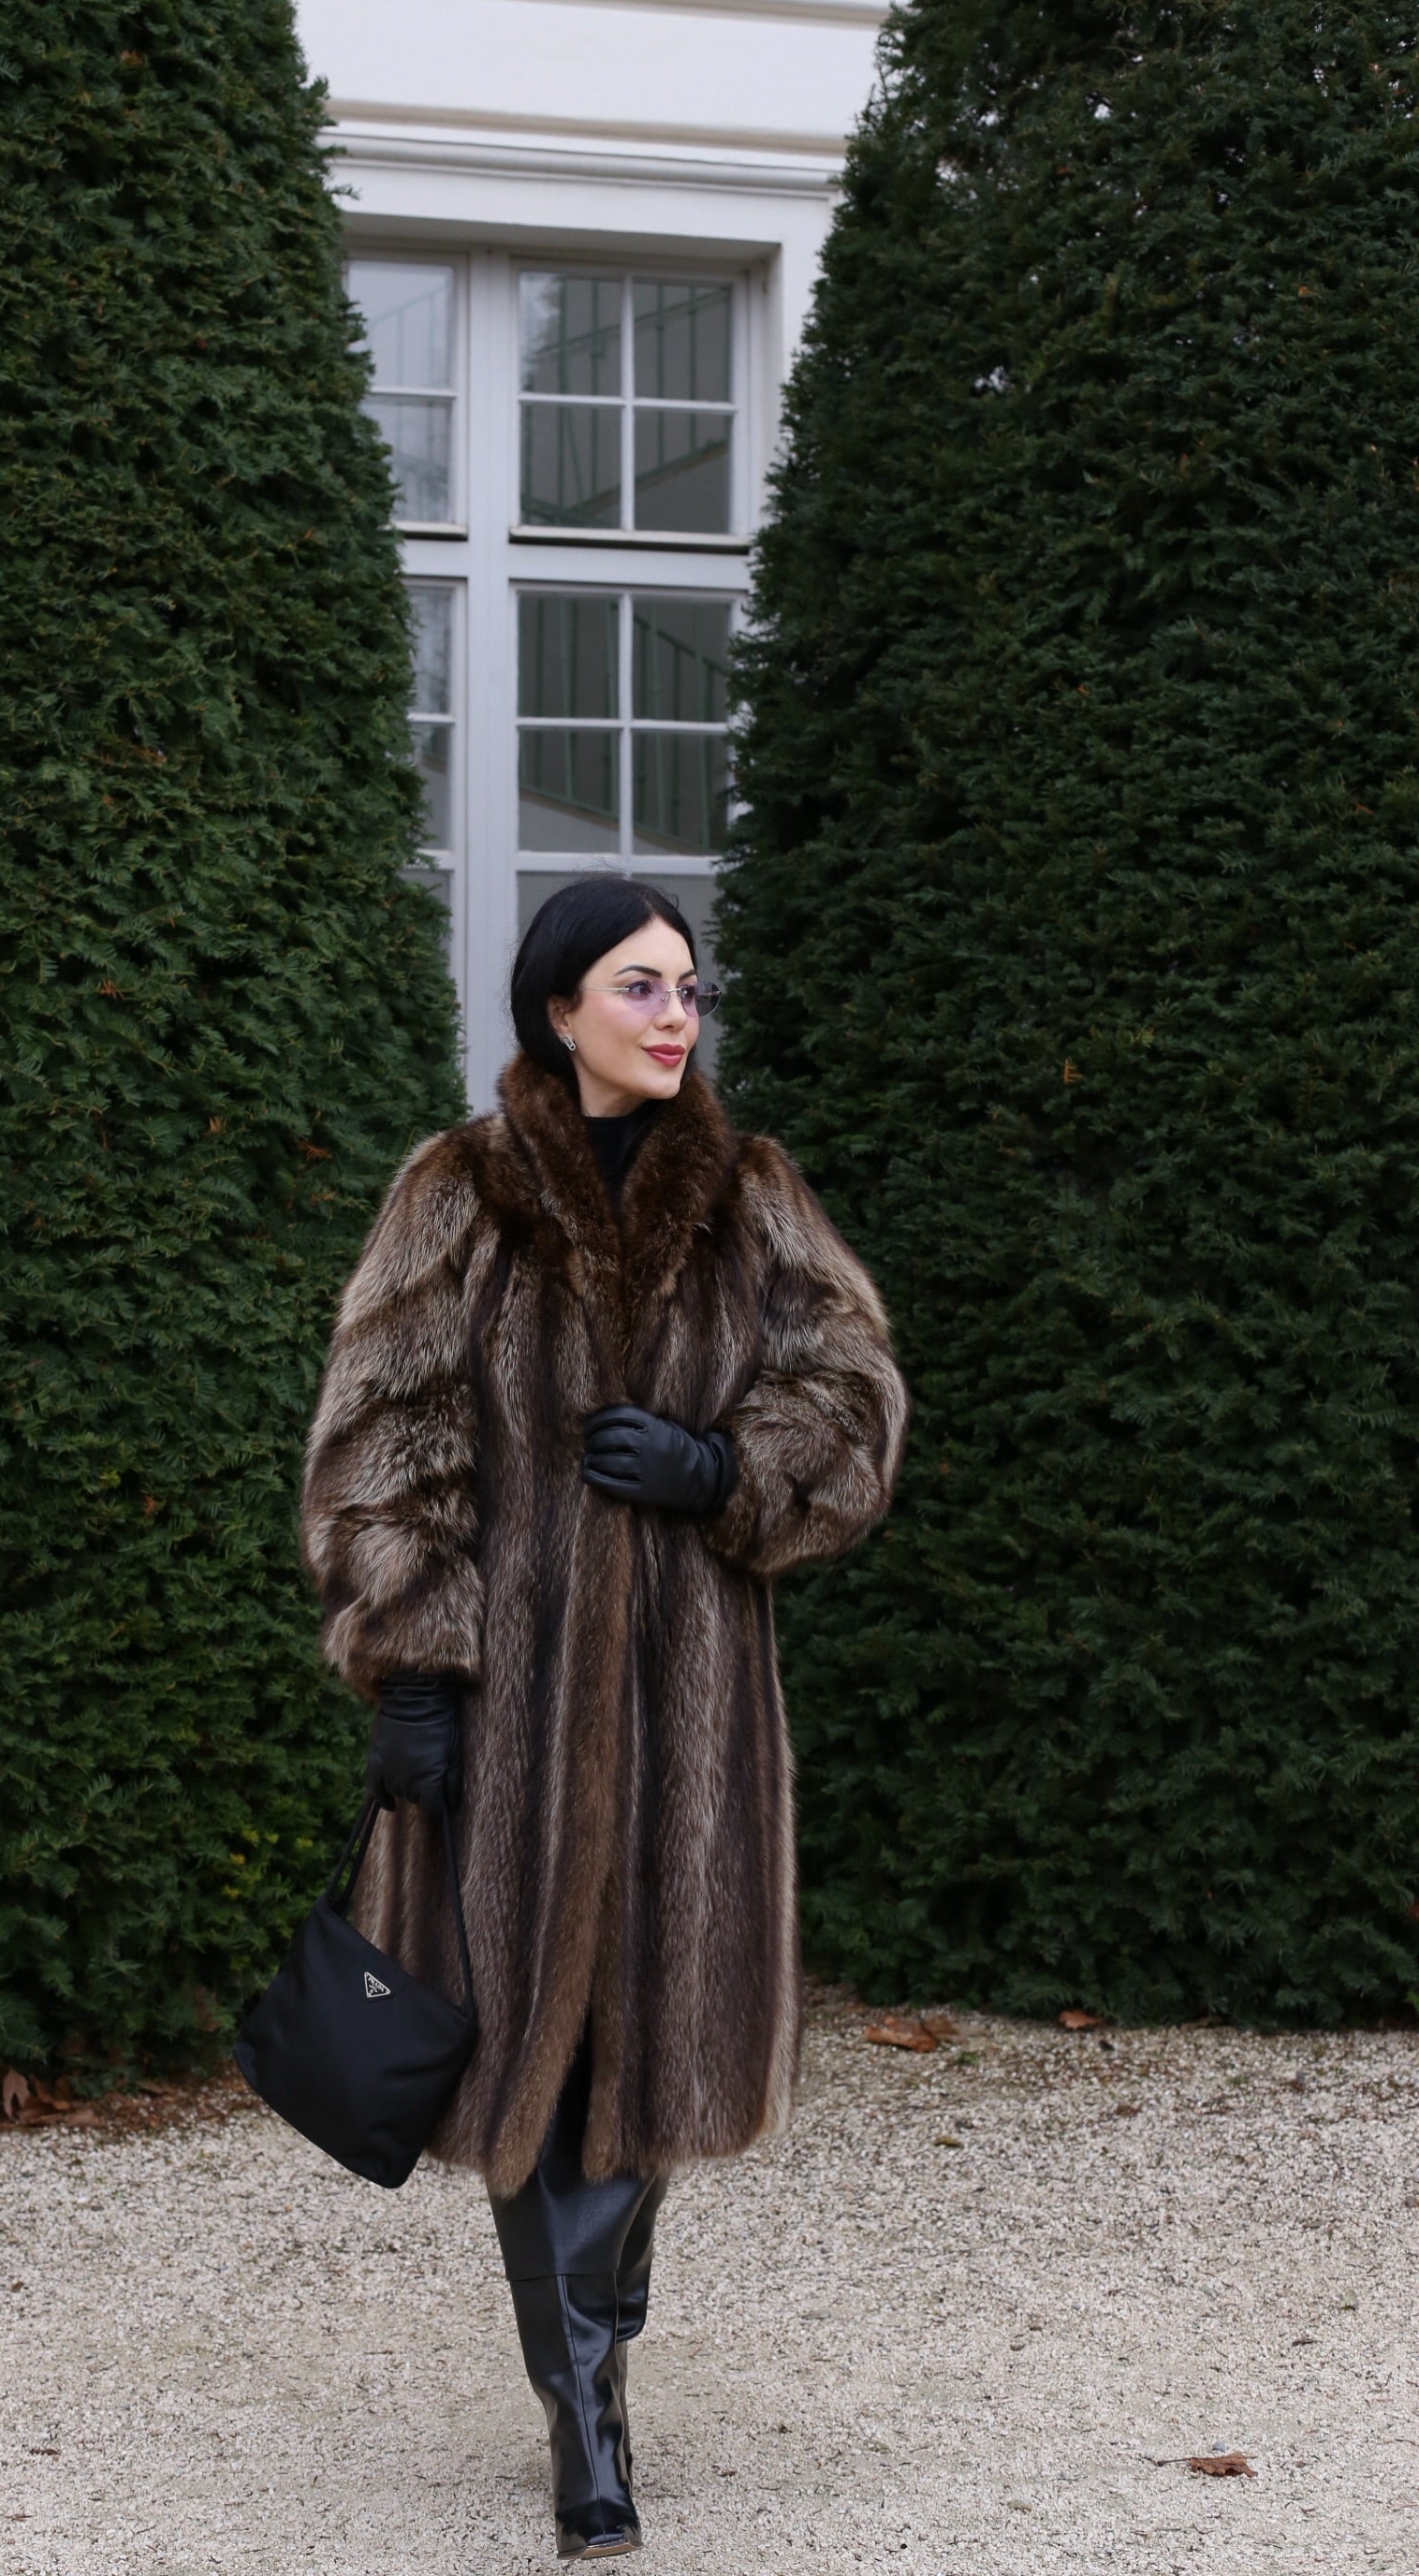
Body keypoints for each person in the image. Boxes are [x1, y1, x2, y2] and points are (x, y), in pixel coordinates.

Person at [300, 875, 908, 2560]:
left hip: (696, 1719)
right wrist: (414, 1669)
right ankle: (585, 2419)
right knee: (535, 2062)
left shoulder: (752, 1196)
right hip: (507, 1716)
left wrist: (726, 1468)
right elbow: (383, 1442)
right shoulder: (459, 1195)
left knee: (653, 2048)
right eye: (640, 987)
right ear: (558, 1008)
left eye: (690, 989)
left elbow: (853, 1387)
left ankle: (601, 2326)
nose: (676, 1015)